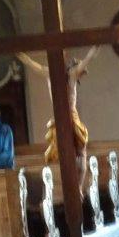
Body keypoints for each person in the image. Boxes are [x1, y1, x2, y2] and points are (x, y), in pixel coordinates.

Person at [16, 47, 99, 195]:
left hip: (65, 117)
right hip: (65, 117)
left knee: (77, 152)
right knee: (75, 153)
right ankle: (75, 188)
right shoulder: (66, 73)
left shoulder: (58, 73)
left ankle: (77, 187)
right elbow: (88, 59)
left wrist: (20, 54)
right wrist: (96, 46)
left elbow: (31, 63)